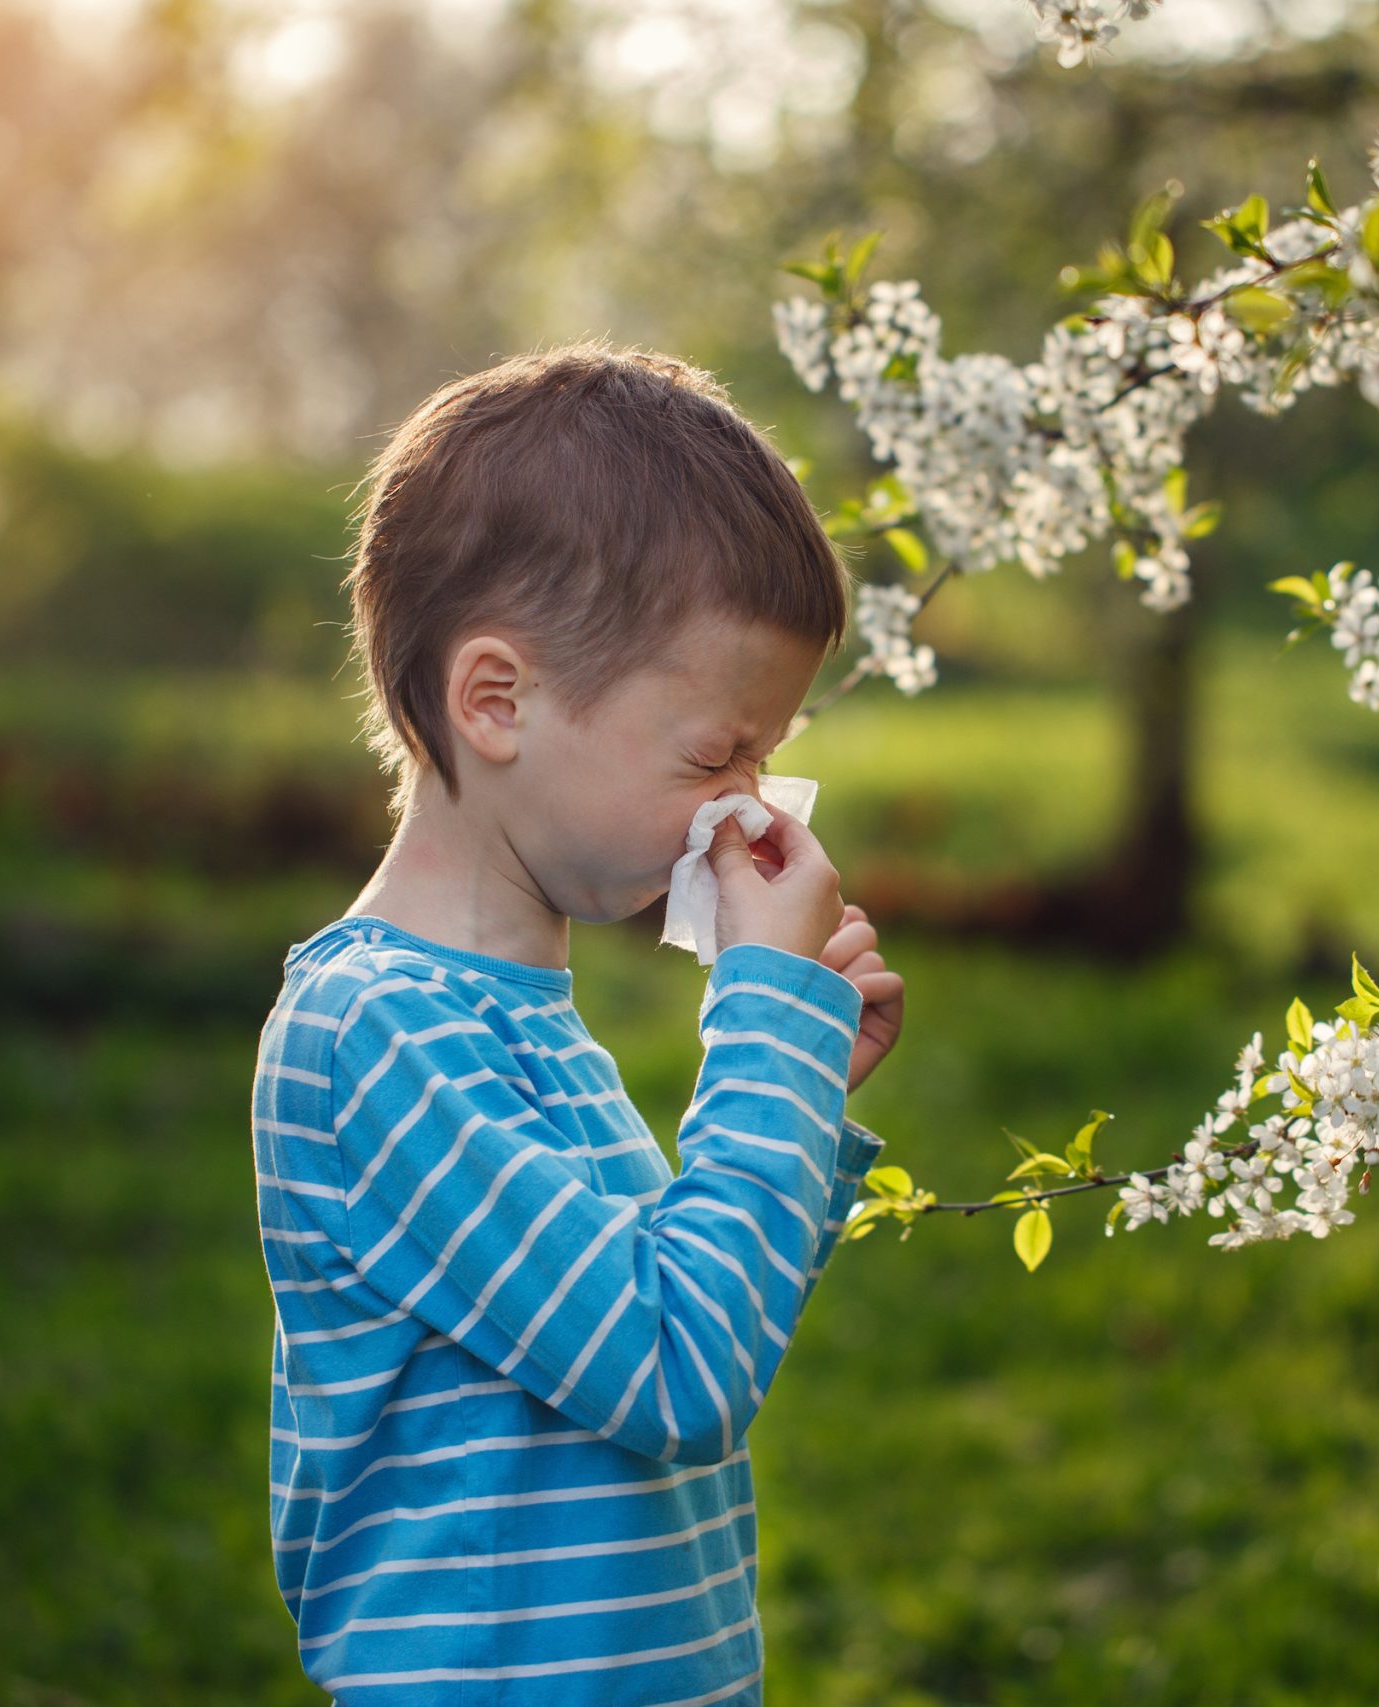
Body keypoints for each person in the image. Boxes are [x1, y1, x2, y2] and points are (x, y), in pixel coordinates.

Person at [251, 339, 907, 1703]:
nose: (752, 804)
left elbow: (679, 1305)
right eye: (714, 754)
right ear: (498, 701)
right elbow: (678, 1373)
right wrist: (764, 1037)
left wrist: (808, 1093)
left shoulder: (524, 1024)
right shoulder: (375, 1034)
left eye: (766, 758)